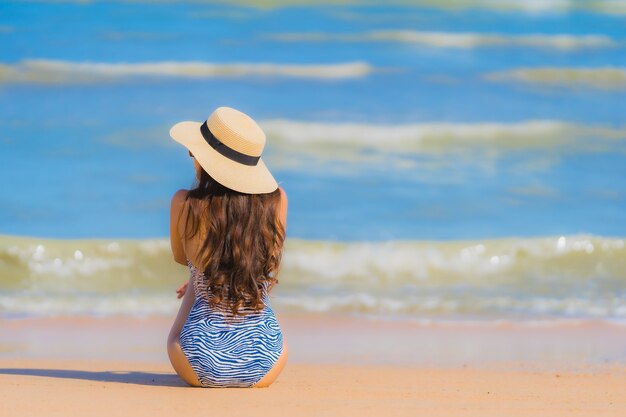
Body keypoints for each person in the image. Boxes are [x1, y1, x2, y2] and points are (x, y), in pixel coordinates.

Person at [165, 106, 289, 388]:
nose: (190, 155)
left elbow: (184, 258)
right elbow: (268, 268)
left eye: (194, 151)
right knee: (252, 278)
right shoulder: (278, 200)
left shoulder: (184, 203)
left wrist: (199, 280)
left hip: (195, 361)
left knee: (198, 279)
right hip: (267, 362)